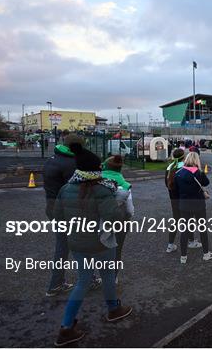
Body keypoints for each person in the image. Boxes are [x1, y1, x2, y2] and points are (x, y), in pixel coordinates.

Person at [53, 147, 132, 347]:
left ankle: (66, 327)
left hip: (77, 243)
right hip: (101, 243)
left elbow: (58, 217)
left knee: (83, 281)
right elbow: (113, 218)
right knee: (107, 274)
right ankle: (113, 309)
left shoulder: (65, 188)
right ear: (95, 170)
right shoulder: (103, 190)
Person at [43, 134, 101, 297]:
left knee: (62, 247)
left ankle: (56, 284)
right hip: (69, 212)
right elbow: (80, 189)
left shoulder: (52, 159)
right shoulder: (71, 164)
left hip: (53, 208)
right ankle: (89, 280)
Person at [173, 152, 212, 264]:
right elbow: (206, 183)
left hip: (184, 205)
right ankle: (206, 253)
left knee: (184, 230)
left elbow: (175, 190)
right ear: (197, 160)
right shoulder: (199, 173)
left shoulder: (178, 173)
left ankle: (183, 257)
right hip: (198, 204)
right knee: (202, 228)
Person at [101, 155, 134, 282]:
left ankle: (98, 275)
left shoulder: (96, 182)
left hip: (100, 221)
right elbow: (130, 209)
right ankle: (113, 277)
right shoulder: (125, 186)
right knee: (117, 249)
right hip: (120, 222)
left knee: (99, 248)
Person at [164, 149, 200, 253]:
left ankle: (170, 244)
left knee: (175, 220)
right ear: (183, 157)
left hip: (173, 198)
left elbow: (167, 184)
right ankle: (191, 241)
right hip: (185, 197)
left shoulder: (169, 167)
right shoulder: (186, 167)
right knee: (189, 219)